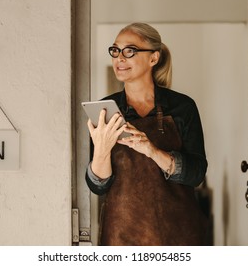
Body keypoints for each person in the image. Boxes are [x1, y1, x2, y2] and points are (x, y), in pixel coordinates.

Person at [85, 23, 208, 246]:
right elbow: (98, 186)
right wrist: (101, 150)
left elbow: (196, 174)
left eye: (130, 51)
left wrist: (152, 151)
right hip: (121, 236)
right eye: (115, 50)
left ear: (153, 58)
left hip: (177, 235)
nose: (120, 58)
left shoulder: (182, 107)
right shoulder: (104, 109)